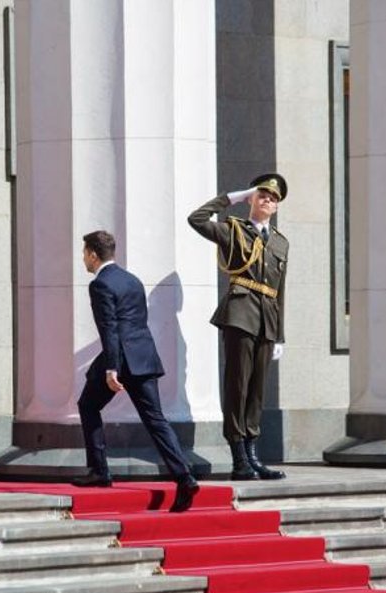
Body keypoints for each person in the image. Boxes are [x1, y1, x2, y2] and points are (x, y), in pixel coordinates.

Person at [75, 230, 199, 512]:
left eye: (84, 252)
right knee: (156, 420)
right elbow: (136, 322)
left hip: (120, 359)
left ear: (93, 254)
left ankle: (99, 471)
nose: (83, 258)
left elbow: (110, 328)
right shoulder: (132, 280)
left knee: (87, 405)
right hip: (144, 356)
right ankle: (185, 476)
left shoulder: (100, 285)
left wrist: (111, 368)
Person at [187, 173, 289, 481]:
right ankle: (238, 458)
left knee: (256, 391)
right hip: (240, 314)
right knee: (238, 385)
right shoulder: (234, 231)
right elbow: (197, 219)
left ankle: (253, 456)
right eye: (261, 195)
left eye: (273, 198)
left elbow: (281, 290)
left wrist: (280, 335)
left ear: (276, 206)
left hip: (267, 320)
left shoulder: (281, 242)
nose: (267, 200)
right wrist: (232, 196)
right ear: (252, 199)